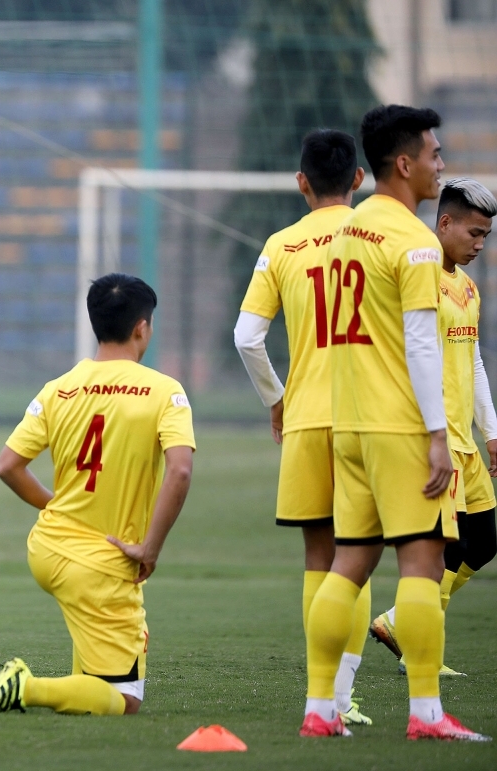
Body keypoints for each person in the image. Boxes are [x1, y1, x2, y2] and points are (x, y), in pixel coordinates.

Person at [300, 104, 487, 741]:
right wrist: (437, 434)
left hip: (346, 424)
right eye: (435, 155)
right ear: (404, 163)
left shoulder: (346, 231)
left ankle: (320, 709)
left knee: (349, 563)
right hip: (399, 426)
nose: (441, 165)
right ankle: (427, 715)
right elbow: (421, 342)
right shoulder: (413, 240)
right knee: (423, 566)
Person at [0, 273, 194, 716]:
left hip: (49, 547)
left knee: (94, 681)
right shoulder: (164, 390)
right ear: (141, 327)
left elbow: (8, 466)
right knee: (125, 701)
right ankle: (26, 688)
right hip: (103, 561)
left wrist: (54, 506)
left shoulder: (59, 389)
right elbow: (181, 471)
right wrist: (150, 546)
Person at [233, 129, 372, 726]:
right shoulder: (382, 235)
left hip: (308, 416)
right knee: (361, 556)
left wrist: (277, 399)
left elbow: (246, 337)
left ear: (301, 182)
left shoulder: (282, 244)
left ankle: (323, 704)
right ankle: (342, 697)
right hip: (374, 416)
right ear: (360, 180)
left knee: (320, 557)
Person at [370, 178, 497, 677]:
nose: (480, 245)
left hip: (465, 439)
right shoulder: (418, 274)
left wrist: (491, 430)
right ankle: (420, 644)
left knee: (484, 543)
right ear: (444, 223)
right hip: (434, 436)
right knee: (446, 547)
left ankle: (401, 623)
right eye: (474, 233)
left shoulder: (467, 288)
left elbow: (475, 361)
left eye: (486, 236)